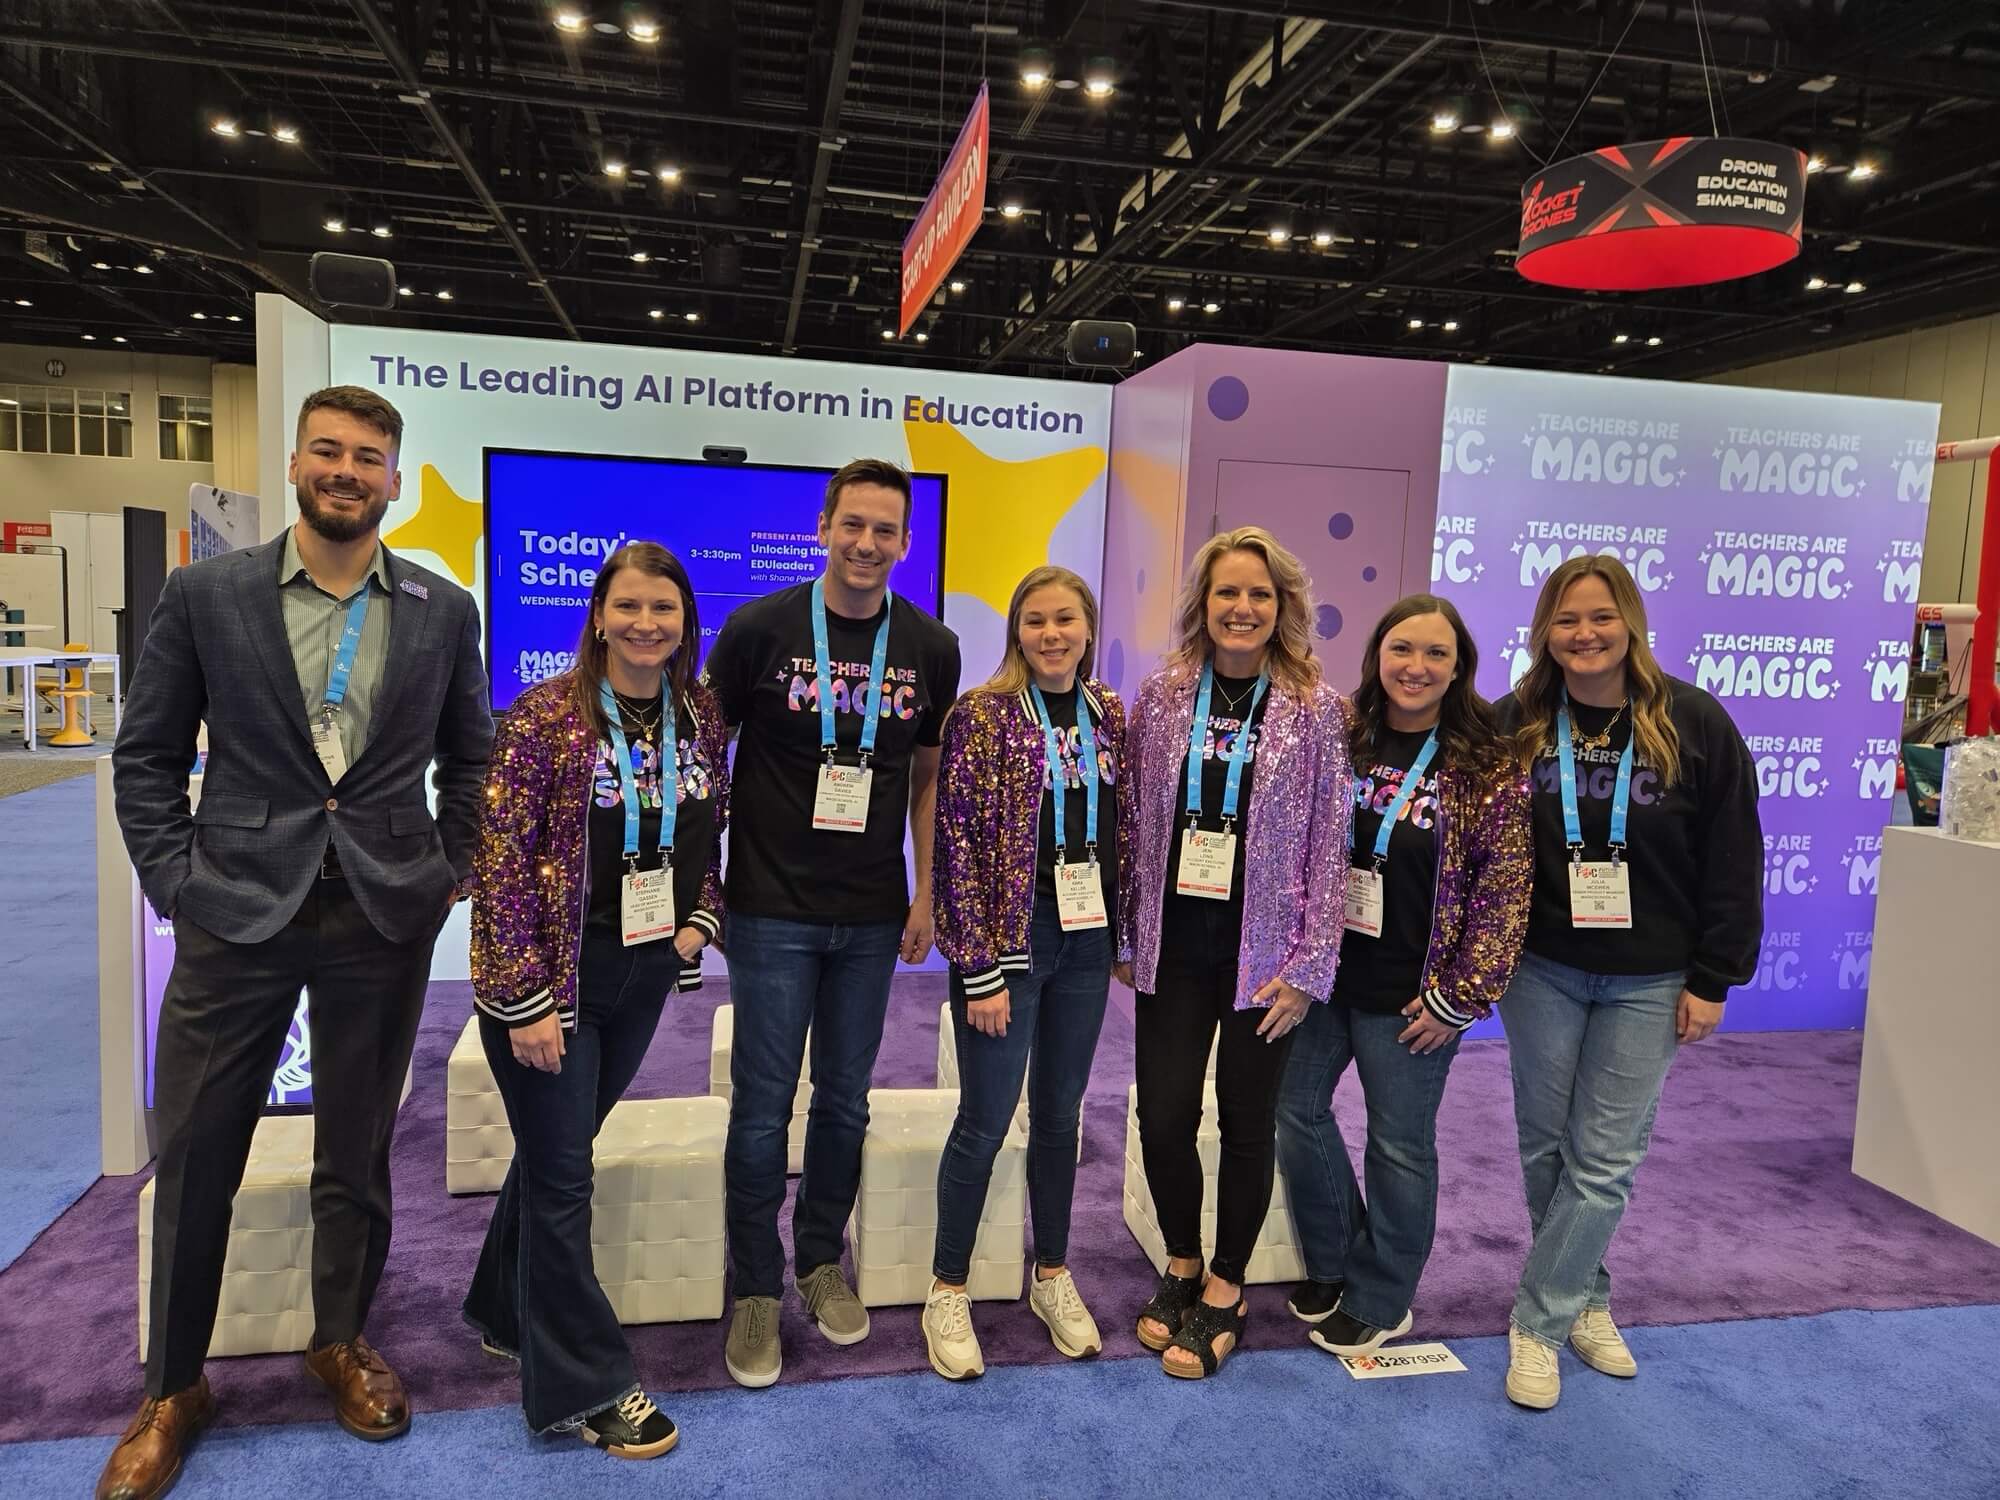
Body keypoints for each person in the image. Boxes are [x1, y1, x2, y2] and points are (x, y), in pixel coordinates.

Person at [104, 386, 492, 1500]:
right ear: (295, 464)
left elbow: (472, 757)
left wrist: (444, 868)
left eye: (368, 457)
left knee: (357, 1151)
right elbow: (146, 759)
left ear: (394, 479)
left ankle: (338, 1339)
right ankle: (173, 1387)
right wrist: (178, 884)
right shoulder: (207, 592)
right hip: (235, 909)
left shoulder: (438, 606)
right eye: (328, 451)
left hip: (381, 912)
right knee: (199, 1151)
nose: (346, 471)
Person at [463, 542, 727, 1457]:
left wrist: (699, 918)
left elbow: (706, 828)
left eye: (664, 608)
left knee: (559, 1150)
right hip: (551, 983)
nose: (646, 623)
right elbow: (497, 866)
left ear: (685, 619)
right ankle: (591, 1384)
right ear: (598, 615)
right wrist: (527, 998)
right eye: (629, 606)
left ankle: (503, 1305)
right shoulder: (545, 716)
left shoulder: (699, 714)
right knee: (567, 1180)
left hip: (644, 970)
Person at [703, 458, 961, 1388]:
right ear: (823, 527)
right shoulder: (759, 629)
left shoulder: (931, 646)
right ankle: (756, 1288)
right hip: (769, 910)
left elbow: (924, 780)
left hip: (869, 916)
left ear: (904, 540)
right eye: (852, 524)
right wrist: (706, 881)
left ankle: (819, 1260)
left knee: (846, 1102)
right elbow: (705, 758)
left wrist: (926, 891)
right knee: (765, 1106)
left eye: (885, 530)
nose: (867, 544)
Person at [1496, 555, 1762, 1410]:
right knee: (1546, 1146)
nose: (1584, 634)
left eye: (1600, 618)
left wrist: (1717, 975)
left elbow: (1733, 857)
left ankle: (1537, 1323)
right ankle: (1588, 1295)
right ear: (1545, 632)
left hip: (1651, 978)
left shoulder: (1692, 721)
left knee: (1605, 1159)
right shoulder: (1518, 721)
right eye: (1566, 620)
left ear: (1632, 623)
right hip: (1540, 970)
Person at [1121, 526, 1352, 1379]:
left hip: (1266, 957)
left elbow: (1333, 844)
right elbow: (1136, 821)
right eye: (1228, 593)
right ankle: (1182, 1261)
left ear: (1284, 606)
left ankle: (1226, 1285)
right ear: (1203, 605)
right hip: (1174, 943)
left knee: (1248, 1125)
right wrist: (1125, 929)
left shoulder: (1319, 709)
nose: (1243, 608)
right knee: (1165, 1113)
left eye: (1260, 594)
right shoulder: (1164, 694)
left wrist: (1308, 965)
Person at [1274, 595, 1531, 1358]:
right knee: (1296, 1112)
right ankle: (1336, 1262)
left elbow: (1504, 890)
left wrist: (1460, 999)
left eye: (1435, 655)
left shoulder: (1484, 764)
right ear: (1377, 656)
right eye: (1402, 650)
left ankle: (1385, 1294)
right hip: (1323, 978)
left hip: (1413, 996)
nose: (1416, 667)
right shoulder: (1341, 736)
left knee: (1399, 1145)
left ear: (1459, 669)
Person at [924, 566, 1132, 1379]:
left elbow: (1129, 825)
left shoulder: (1108, 712)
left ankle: (1052, 1273)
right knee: (984, 1118)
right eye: (1037, 621)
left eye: (1066, 620)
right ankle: (949, 1287)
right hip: (1011, 938)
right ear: (1017, 630)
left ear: (1087, 627)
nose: (1052, 635)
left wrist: (1126, 937)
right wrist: (976, 967)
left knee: (1061, 1116)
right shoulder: (982, 715)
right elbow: (958, 847)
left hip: (1086, 937)